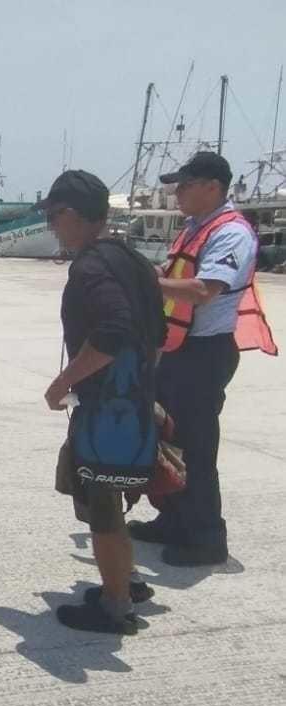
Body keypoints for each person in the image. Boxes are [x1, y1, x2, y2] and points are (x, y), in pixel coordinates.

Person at [128, 152, 277, 566]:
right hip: (179, 350)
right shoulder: (196, 229)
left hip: (205, 353)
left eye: (186, 185)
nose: (177, 193)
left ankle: (208, 537)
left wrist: (147, 282)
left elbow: (203, 290)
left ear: (212, 186)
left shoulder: (230, 233)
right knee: (167, 439)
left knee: (195, 445)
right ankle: (173, 519)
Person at [41, 170, 166, 635]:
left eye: (55, 217)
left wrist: (62, 384)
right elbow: (158, 334)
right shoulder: (131, 259)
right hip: (133, 403)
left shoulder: (91, 266)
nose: (53, 227)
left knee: (103, 507)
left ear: (72, 215)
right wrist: (142, 387)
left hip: (107, 410)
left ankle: (116, 606)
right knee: (110, 495)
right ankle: (128, 582)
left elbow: (112, 332)